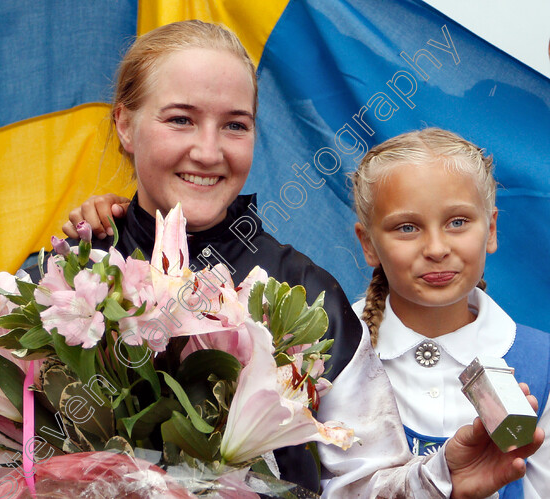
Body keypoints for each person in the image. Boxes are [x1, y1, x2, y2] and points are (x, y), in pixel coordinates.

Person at [64, 20, 543, 498]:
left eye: (234, 125)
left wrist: (442, 479)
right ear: (125, 124)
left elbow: (363, 483)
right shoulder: (69, 276)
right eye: (180, 120)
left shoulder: (309, 297)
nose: (208, 151)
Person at [351, 127, 549, 498]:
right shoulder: (330, 353)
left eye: (457, 222)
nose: (437, 248)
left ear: (490, 228)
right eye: (407, 227)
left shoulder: (542, 365)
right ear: (368, 244)